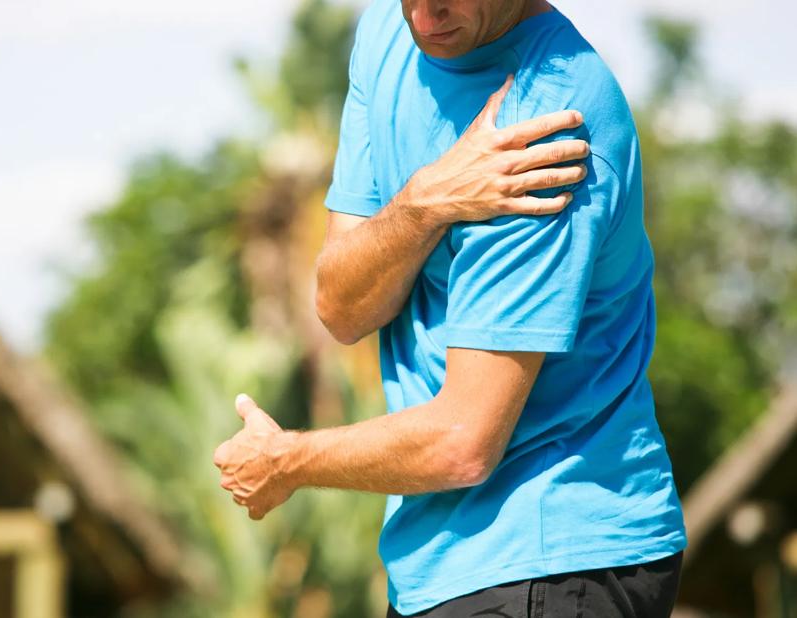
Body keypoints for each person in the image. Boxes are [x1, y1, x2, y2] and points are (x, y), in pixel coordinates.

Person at [213, 0, 687, 615]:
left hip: (556, 553)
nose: (427, 12)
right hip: (439, 565)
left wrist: (289, 461)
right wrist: (427, 201)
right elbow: (342, 307)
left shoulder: (546, 125)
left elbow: (463, 441)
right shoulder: (388, 30)